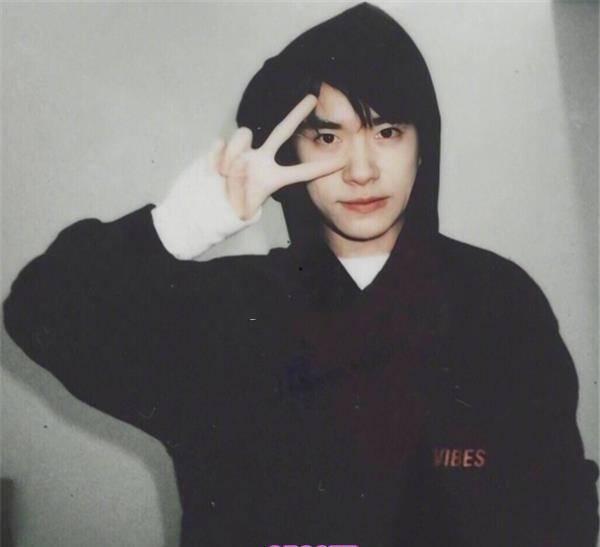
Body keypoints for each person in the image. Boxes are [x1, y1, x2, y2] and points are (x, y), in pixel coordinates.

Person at [4, 3, 598, 546]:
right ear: (293, 151)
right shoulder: (228, 310)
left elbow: (561, 509)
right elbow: (39, 311)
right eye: (328, 136)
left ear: (423, 146)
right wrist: (187, 221)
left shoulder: (497, 303)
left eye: (387, 131)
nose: (361, 170)